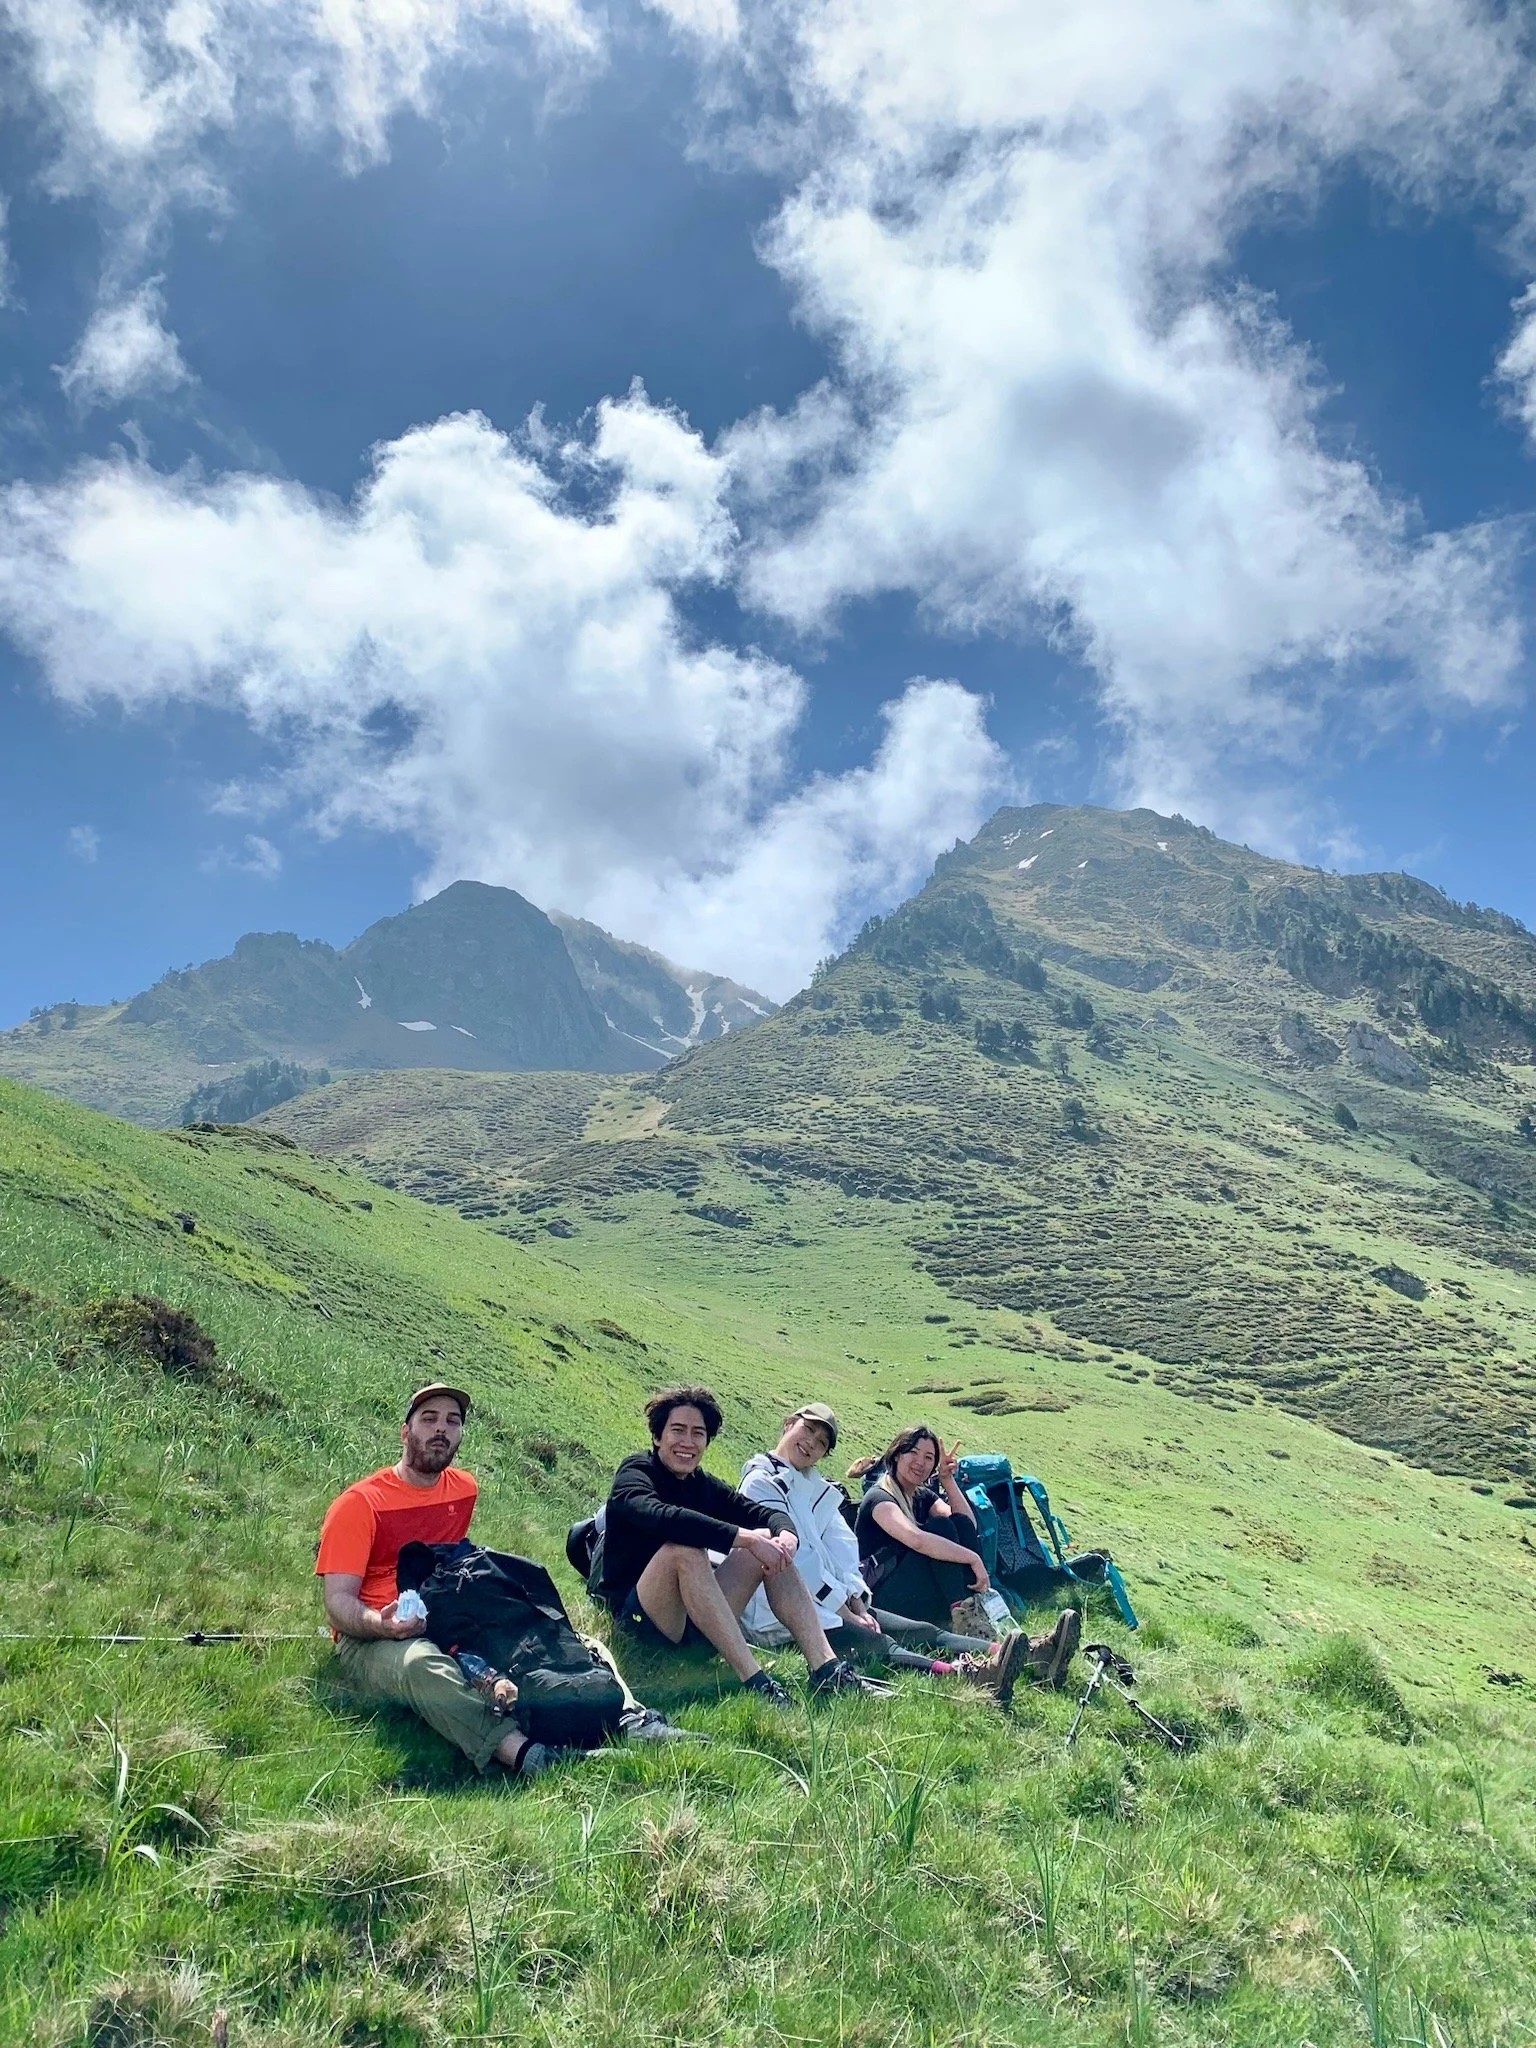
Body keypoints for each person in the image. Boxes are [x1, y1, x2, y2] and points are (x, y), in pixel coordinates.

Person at [317, 1384, 648, 1778]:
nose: (441, 1429)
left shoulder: (462, 1489)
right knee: (422, 1665)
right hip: (372, 1635)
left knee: (578, 1642)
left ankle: (632, 1720)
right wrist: (381, 1625)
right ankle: (527, 1755)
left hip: (449, 1616)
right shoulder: (360, 1505)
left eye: (452, 1422)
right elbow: (337, 1603)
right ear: (405, 1432)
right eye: (429, 1419)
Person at [595, 1385, 892, 1704]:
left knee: (768, 1545)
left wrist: (785, 1533)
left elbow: (758, 1512)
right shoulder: (636, 1471)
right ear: (657, 1437)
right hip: (641, 1624)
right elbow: (659, 1515)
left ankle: (826, 1669)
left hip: (696, 1629)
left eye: (698, 1433)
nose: (687, 1442)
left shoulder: (699, 1484)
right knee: (685, 1549)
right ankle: (756, 1681)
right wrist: (746, 1537)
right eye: (677, 1431)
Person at [738, 1402, 1032, 1701]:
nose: (812, 1443)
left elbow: (844, 1552)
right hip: (783, 1614)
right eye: (809, 1430)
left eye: (822, 1442)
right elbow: (801, 1563)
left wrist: (857, 1602)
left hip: (837, 1601)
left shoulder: (817, 1489)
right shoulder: (762, 1483)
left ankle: (1024, 1651)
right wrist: (847, 1612)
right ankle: (967, 1673)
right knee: (880, 1644)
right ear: (789, 1424)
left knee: (923, 1631)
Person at [852, 1423, 1081, 1687]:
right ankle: (968, 1616)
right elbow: (916, 1541)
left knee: (952, 1524)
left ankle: (977, 1620)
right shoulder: (879, 1498)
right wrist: (973, 1560)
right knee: (938, 1530)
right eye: (913, 1453)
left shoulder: (920, 1495)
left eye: (929, 1457)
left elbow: (967, 1523)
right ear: (896, 1455)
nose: (920, 1462)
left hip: (917, 1592)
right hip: (884, 1601)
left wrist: (947, 1480)